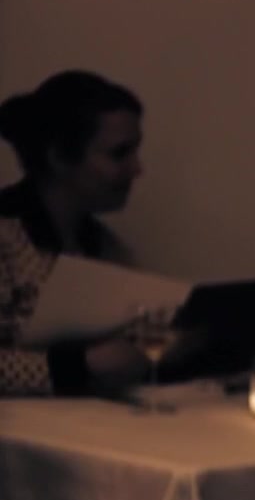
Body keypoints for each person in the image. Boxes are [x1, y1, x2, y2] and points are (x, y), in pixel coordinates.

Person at [0, 71, 163, 396]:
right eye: (120, 153)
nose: (137, 168)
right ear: (59, 158)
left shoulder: (107, 247)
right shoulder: (6, 239)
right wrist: (81, 366)